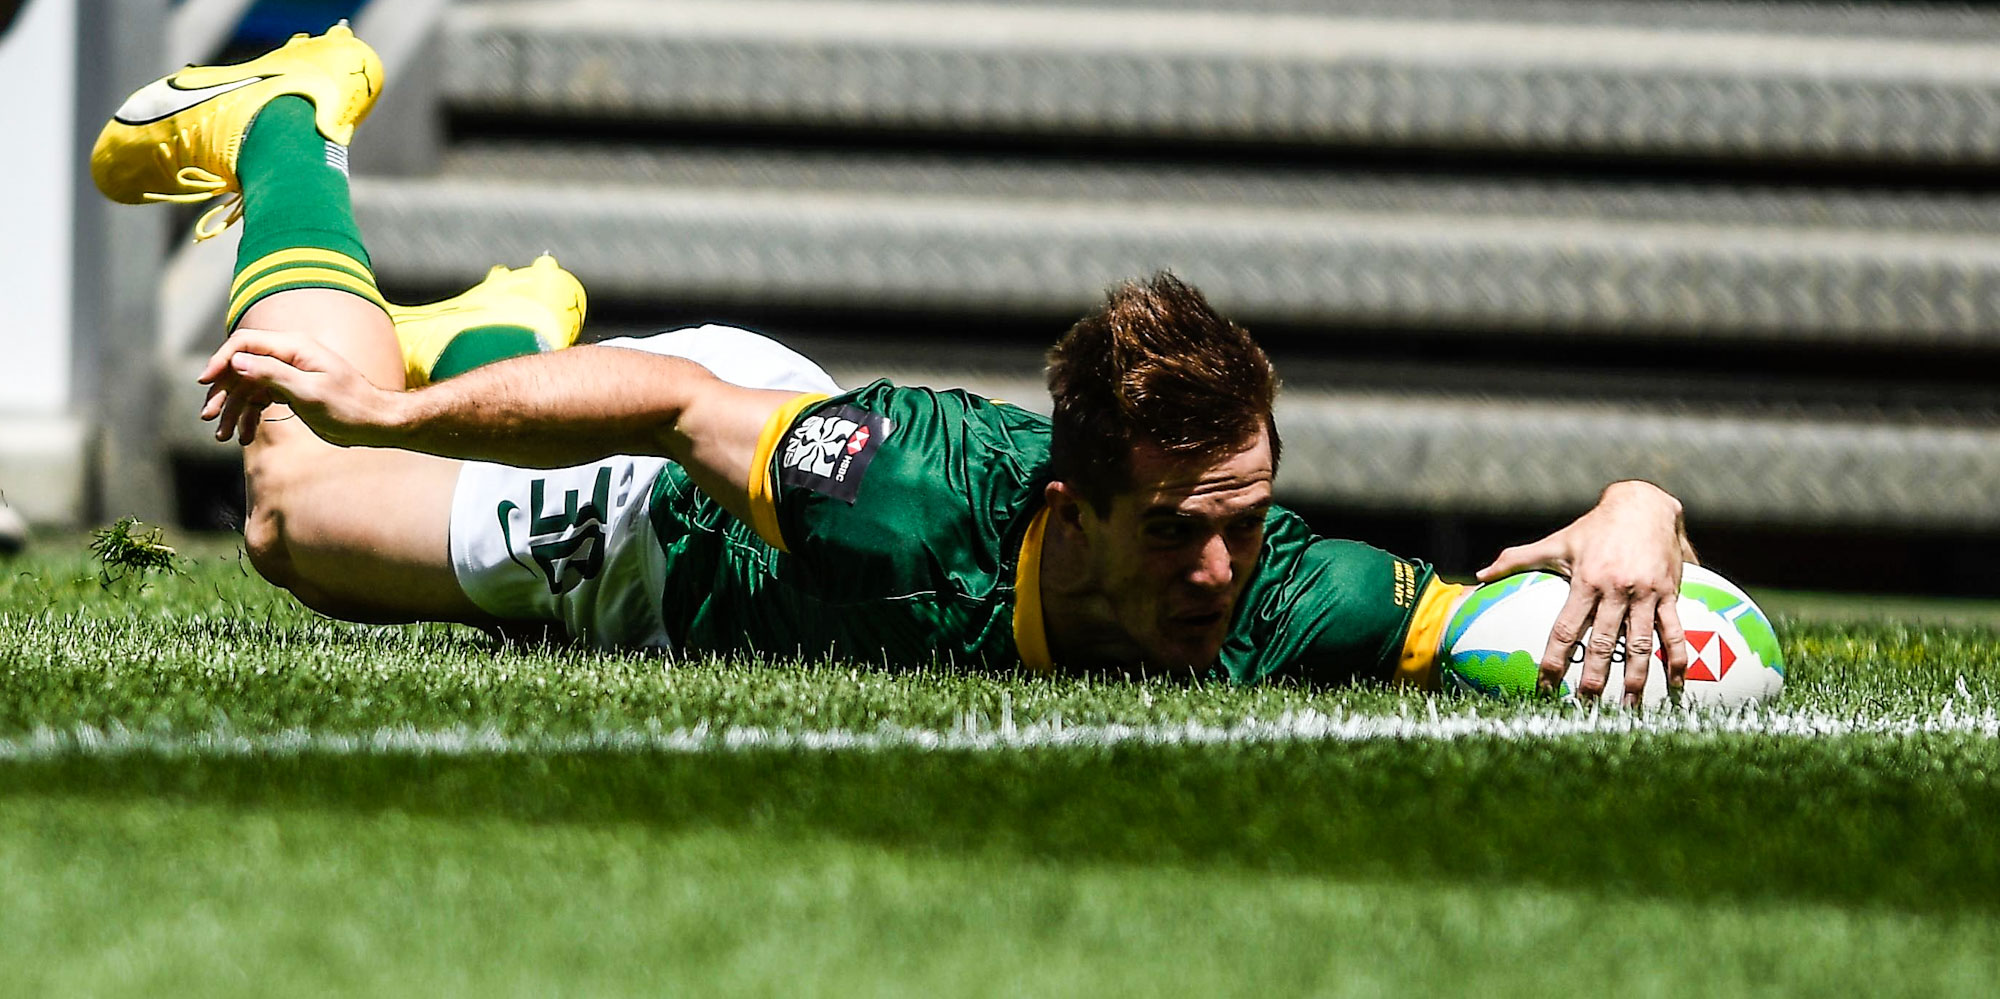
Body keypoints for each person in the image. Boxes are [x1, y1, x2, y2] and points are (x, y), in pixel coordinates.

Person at [95, 26, 1696, 702]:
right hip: (679, 524)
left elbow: (1528, 627)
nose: (1218, 568)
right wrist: (397, 409)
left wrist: (1638, 500)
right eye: (1177, 528)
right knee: (294, 506)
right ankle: (295, 115)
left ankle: (507, 322)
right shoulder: (907, 492)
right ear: (1068, 506)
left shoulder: (1288, 594)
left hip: (718, 442)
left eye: (1245, 516)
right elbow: (674, 405)